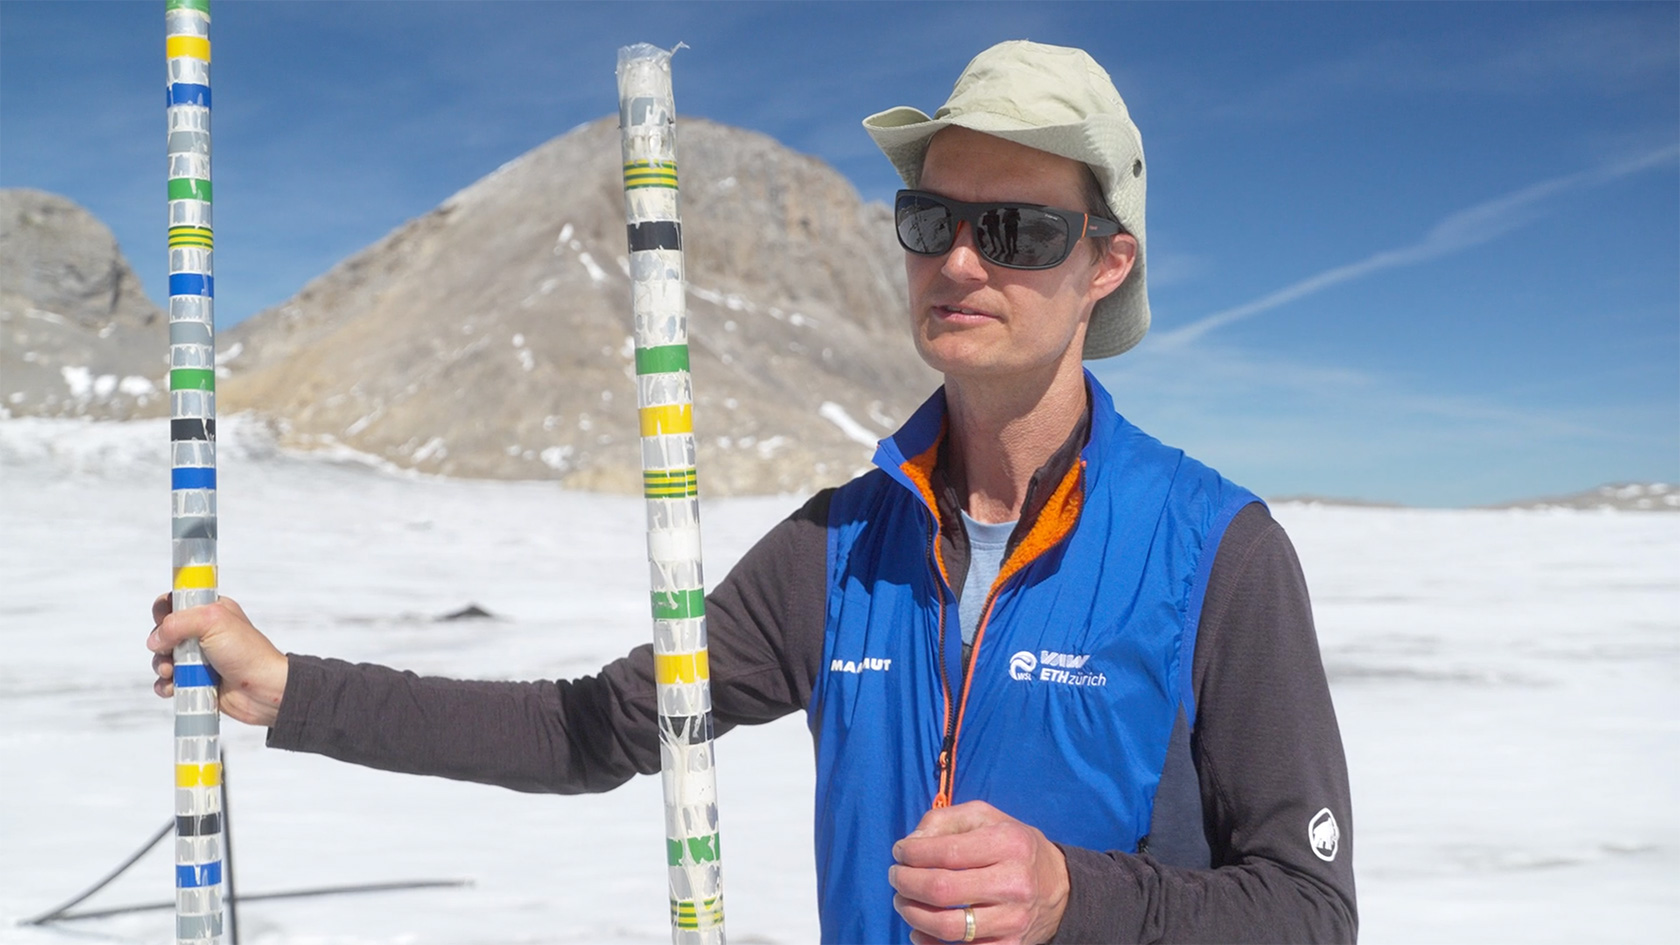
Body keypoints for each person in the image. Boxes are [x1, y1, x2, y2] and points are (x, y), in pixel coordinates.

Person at [149, 40, 1356, 945]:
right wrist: (294, 690)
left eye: (1018, 230)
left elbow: (1309, 909)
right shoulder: (839, 548)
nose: (960, 259)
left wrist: (1071, 895)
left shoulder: (1215, 551)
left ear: (1107, 262)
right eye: (930, 218)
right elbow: (598, 728)